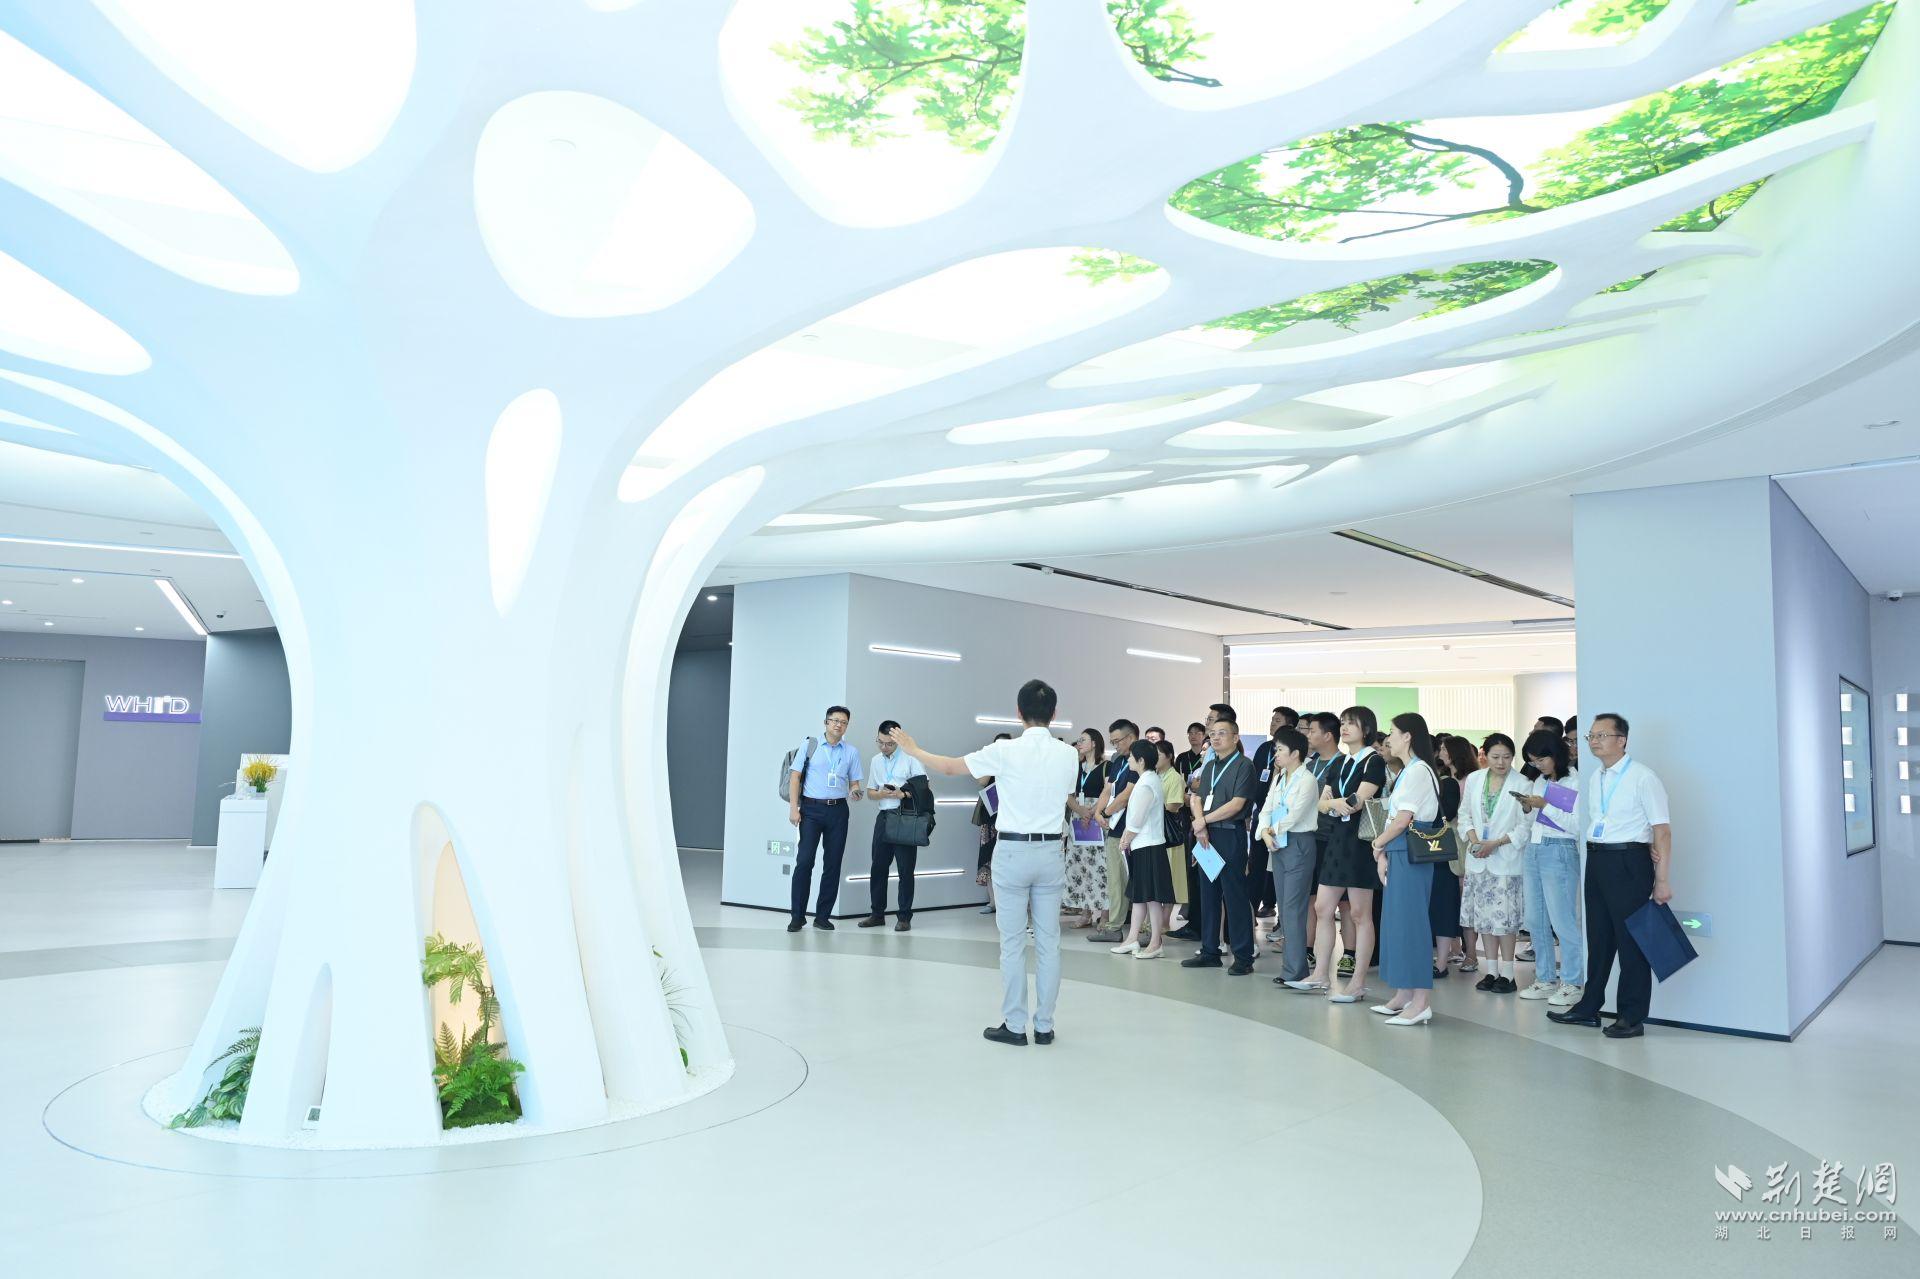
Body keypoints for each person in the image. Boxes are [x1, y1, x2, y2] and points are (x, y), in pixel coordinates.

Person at [889, 681, 1078, 1047]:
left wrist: (913, 749)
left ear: (1018, 713)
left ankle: (1015, 1024)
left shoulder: (1004, 750)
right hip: (1051, 851)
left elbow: (949, 767)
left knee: (1012, 943)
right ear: (1054, 714)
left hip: (1012, 850)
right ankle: (1044, 1026)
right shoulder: (1068, 755)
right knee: (1049, 942)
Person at [1550, 713, 1672, 1039]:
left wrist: (1662, 880)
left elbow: (1662, 830)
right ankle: (1589, 1007)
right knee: (1599, 938)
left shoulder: (1643, 777)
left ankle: (1631, 1016)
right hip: (1598, 859)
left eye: (1601, 735)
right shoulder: (1596, 777)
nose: (1594, 741)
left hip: (1629, 861)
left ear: (1622, 740)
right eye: (1591, 736)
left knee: (1632, 941)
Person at [1288, 706, 1384, 1002]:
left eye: (1351, 723)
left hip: (1361, 843)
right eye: (1343, 722)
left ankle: (1357, 983)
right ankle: (1320, 974)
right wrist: (1334, 804)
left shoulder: (1373, 760)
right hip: (1337, 839)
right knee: (1322, 907)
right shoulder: (1340, 762)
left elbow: (1359, 800)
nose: (1344, 727)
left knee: (1359, 913)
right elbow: (1321, 803)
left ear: (1366, 729)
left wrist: (1336, 803)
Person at [1370, 713, 1442, 1026]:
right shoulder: (1408, 771)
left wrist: (1377, 844)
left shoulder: (1418, 771)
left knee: (1412, 925)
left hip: (1411, 852)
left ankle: (1421, 1001)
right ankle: (1403, 993)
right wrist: (1384, 850)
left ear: (1408, 736)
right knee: (1397, 924)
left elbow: (1402, 820)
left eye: (1393, 731)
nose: (1389, 738)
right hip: (1399, 850)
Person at [1181, 718, 1260, 975]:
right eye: (1212, 734)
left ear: (1235, 738)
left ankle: (1243, 957)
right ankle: (1209, 951)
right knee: (1208, 894)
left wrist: (1203, 821)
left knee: (1234, 895)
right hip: (1207, 835)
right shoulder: (1210, 765)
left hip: (1229, 834)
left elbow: (1237, 804)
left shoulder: (1244, 765)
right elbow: (1197, 798)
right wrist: (1200, 826)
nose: (1215, 738)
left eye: (1222, 733)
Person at [1515, 729, 1585, 1005]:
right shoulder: (1539, 782)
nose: (1538, 765)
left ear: (1555, 753)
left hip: (1560, 849)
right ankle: (1545, 978)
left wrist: (1545, 806)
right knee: (1535, 919)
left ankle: (1573, 981)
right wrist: (1528, 808)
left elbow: (1575, 826)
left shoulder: (1575, 781)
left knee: (1562, 920)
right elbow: (1534, 822)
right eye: (1532, 761)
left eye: (1541, 759)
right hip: (1534, 848)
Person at [1458, 734, 1529, 993]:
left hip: (1505, 861)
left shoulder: (1523, 783)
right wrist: (1475, 840)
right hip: (1478, 860)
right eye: (1495, 757)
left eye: (1507, 757)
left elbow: (1524, 827)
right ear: (1484, 755)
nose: (1501, 762)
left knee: (1505, 921)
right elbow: (1464, 814)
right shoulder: (1475, 779)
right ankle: (1491, 971)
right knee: (1484, 920)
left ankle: (1508, 974)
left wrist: (1495, 843)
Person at [787, 705, 865, 932]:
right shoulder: (810, 745)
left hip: (838, 811)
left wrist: (855, 791)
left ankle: (822, 917)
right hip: (811, 810)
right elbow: (795, 777)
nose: (839, 725)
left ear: (847, 726)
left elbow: (854, 783)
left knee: (833, 864)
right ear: (826, 722)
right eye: (835, 720)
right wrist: (793, 809)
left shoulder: (851, 752)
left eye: (844, 722)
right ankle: (797, 916)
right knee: (804, 862)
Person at [1258, 726, 1319, 984]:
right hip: (1277, 843)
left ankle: (1295, 970)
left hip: (1298, 843)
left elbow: (1295, 814)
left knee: (1293, 908)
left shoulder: (1307, 780)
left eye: (1280, 750)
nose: (1276, 754)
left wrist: (1271, 830)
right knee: (1284, 908)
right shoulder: (1279, 778)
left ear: (1295, 753)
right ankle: (1291, 968)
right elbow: (1266, 808)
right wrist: (1264, 831)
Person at [858, 719, 926, 932]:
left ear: (898, 739)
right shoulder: (876, 761)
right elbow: (870, 793)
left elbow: (924, 788)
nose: (884, 747)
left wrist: (902, 794)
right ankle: (877, 914)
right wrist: (880, 794)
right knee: (878, 867)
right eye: (880, 742)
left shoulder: (911, 757)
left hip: (905, 818)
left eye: (889, 743)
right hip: (884, 817)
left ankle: (904, 916)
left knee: (905, 869)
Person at [1114, 740, 1176, 958]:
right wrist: (1128, 838)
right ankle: (1132, 939)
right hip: (1143, 845)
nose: (1129, 759)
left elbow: (1137, 819)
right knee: (1140, 895)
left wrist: (1125, 839)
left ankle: (1156, 943)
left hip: (1149, 845)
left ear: (1140, 760)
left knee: (1152, 897)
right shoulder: (1147, 779)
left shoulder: (1147, 782)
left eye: (1131, 756)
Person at [1089, 719, 1140, 944]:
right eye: (1112, 742)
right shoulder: (1118, 760)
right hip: (1115, 829)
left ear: (1131, 737)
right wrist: (1098, 813)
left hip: (1135, 830)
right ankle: (1114, 926)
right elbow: (1108, 789)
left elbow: (1127, 794)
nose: (1115, 746)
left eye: (1118, 741)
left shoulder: (1141, 759)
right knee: (1115, 880)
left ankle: (1146, 928)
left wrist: (1106, 812)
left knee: (1139, 880)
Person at [1247, 707, 1297, 925]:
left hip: (1283, 818)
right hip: (1262, 813)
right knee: (1256, 864)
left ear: (1289, 726)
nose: (1272, 723)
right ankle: (1250, 912)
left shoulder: (1295, 754)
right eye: (1272, 720)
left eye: (1277, 720)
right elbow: (1254, 779)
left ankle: (1276, 913)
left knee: (1280, 866)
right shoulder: (1264, 749)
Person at [1431, 736, 1475, 978]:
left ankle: (1470, 953)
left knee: (1463, 899)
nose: (1441, 752)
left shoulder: (1467, 781)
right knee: (1452, 899)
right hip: (1451, 843)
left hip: (1461, 843)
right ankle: (1456, 949)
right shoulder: (1446, 779)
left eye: (1445, 749)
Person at [1063, 729, 1109, 929]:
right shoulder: (1076, 767)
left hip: (1098, 817)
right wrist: (1081, 811)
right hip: (1079, 817)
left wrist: (1092, 811)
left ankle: (1105, 914)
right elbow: (1068, 795)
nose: (1079, 743)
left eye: (1083, 740)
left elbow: (1108, 792)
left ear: (1094, 743)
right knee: (1080, 865)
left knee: (1101, 866)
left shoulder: (1106, 766)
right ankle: (1085, 912)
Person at [973, 732, 1012, 915]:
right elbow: (982, 781)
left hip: (1011, 817)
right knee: (988, 857)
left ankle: (1008, 902)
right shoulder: (989, 762)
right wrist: (994, 762)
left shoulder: (1017, 763)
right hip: (990, 815)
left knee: (1009, 860)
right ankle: (993, 901)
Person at [1156, 740, 1192, 926]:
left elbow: (1174, 805)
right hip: (1155, 832)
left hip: (1169, 834)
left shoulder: (1175, 777)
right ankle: (1154, 921)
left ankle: (1164, 922)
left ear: (1169, 756)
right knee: (1158, 878)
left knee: (1170, 878)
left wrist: (1151, 806)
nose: (1155, 758)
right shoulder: (1154, 775)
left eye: (1158, 755)